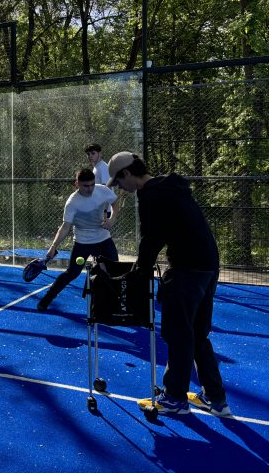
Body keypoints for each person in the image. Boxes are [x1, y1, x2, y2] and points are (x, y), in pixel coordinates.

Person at [107, 152, 229, 417]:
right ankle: (215, 397)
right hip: (208, 265)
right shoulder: (169, 186)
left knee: (178, 333)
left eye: (118, 182)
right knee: (197, 334)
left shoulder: (151, 194)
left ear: (128, 173)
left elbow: (152, 237)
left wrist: (140, 271)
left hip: (187, 269)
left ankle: (174, 398)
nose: (120, 188)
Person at [38, 168, 119, 311]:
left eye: (92, 184)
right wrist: (53, 246)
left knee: (115, 271)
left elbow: (115, 203)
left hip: (103, 238)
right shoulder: (72, 203)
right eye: (85, 186)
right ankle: (48, 297)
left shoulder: (102, 190)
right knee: (72, 273)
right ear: (77, 184)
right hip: (83, 241)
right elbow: (65, 227)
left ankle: (115, 305)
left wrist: (112, 219)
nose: (90, 189)